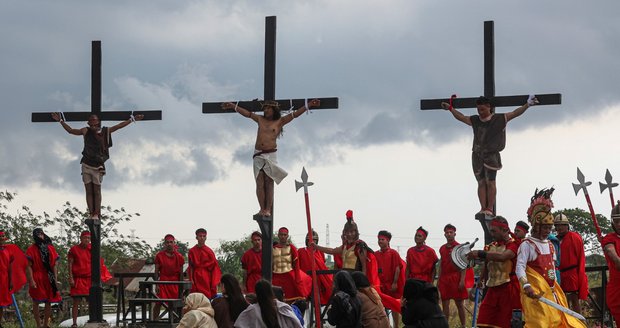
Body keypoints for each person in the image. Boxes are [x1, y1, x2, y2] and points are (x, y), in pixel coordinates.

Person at [441, 95, 539, 215]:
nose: (480, 112)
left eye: (482, 109)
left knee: (490, 181)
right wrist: (451, 109)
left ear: (489, 107)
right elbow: (461, 117)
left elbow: (515, 113)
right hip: (477, 154)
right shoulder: (475, 120)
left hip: (491, 155)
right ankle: (483, 207)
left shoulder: (499, 118)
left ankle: (489, 208)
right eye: (478, 110)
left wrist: (527, 105)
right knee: (481, 182)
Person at [221, 99, 320, 216]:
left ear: (274, 110)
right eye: (265, 109)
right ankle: (262, 208)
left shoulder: (280, 121)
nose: (266, 111)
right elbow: (247, 114)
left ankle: (268, 209)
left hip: (271, 154)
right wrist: (234, 106)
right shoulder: (260, 119)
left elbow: (295, 114)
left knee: (269, 181)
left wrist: (308, 105)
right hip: (258, 153)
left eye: (268, 109)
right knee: (259, 182)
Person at [51, 112, 143, 221]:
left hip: (98, 165)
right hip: (86, 163)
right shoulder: (85, 131)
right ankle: (91, 213)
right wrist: (61, 121)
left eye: (95, 119)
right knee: (88, 190)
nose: (93, 121)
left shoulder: (105, 131)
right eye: (91, 120)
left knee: (97, 190)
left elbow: (118, 126)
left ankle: (96, 213)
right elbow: (71, 131)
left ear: (98, 121)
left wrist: (132, 120)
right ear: (88, 122)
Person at [516, 188, 586, 327]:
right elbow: (520, 267)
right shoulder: (527, 245)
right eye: (545, 228)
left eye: (549, 228)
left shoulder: (550, 245)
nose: (548, 231)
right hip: (534, 294)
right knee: (540, 324)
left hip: (553, 292)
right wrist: (527, 285)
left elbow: (552, 268)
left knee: (558, 322)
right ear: (536, 226)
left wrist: (555, 289)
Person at [311, 210, 401, 314]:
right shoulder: (345, 246)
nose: (349, 234)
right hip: (344, 278)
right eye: (347, 232)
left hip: (355, 279)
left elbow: (364, 266)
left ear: (356, 232)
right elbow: (331, 251)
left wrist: (363, 283)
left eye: (352, 232)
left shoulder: (359, 246)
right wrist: (316, 246)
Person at [466, 216, 521, 328]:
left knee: (506, 323)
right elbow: (487, 265)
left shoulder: (514, 244)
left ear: (505, 230)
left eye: (494, 231)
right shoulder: (490, 247)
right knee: (483, 321)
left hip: (509, 289)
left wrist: (480, 253)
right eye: (491, 230)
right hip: (492, 288)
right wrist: (480, 281)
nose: (491, 233)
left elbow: (503, 257)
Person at [67, 231, 112, 328]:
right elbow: (70, 264)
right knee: (76, 301)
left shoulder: (92, 248)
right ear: (81, 238)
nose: (87, 240)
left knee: (91, 301)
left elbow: (98, 262)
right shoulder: (74, 249)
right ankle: (74, 323)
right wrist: (70, 277)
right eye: (85, 238)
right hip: (78, 278)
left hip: (89, 279)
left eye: (88, 238)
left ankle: (92, 320)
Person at [437, 224, 472, 327]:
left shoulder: (459, 248)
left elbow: (463, 264)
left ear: (454, 234)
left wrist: (462, 280)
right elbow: (441, 264)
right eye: (447, 232)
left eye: (451, 232)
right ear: (444, 234)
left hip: (456, 277)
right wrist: (439, 279)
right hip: (444, 278)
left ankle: (463, 325)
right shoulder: (442, 248)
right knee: (445, 304)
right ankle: (445, 325)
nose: (449, 234)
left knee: (459, 304)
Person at [26, 228, 61, 328]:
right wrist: (31, 280)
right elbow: (28, 266)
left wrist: (55, 279)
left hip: (48, 276)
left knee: (49, 301)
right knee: (36, 301)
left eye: (42, 234)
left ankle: (45, 324)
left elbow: (55, 264)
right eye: (38, 234)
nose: (40, 236)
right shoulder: (31, 249)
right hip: (37, 276)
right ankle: (38, 325)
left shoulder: (50, 248)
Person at [554, 213, 588, 313]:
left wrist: (579, 274)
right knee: (562, 300)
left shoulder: (574, 237)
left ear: (567, 226)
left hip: (572, 273)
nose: (559, 227)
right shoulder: (554, 240)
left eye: (562, 225)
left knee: (574, 299)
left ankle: (580, 323)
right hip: (559, 274)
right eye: (557, 225)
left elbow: (580, 257)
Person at [234, 279, 303, 328]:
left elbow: (239, 324)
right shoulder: (283, 307)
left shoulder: (252, 311)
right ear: (270, 292)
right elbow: (297, 324)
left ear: (257, 293)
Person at [374, 230, 404, 327]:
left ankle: (396, 326)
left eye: (382, 239)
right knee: (381, 306)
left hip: (391, 284)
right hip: (381, 285)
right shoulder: (375, 254)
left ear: (387, 241)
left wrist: (395, 283)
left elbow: (397, 268)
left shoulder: (393, 253)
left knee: (394, 305)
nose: (380, 241)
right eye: (379, 239)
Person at [271, 227, 311, 301]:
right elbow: (270, 264)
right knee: (275, 298)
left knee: (291, 298)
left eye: (284, 235)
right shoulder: (272, 248)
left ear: (287, 236)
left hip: (288, 275)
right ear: (278, 235)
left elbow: (296, 264)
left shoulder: (291, 247)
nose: (283, 236)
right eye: (281, 235)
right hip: (276, 275)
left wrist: (298, 279)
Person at [298, 229, 333, 305]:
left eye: (314, 240)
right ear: (306, 241)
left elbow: (322, 265)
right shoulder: (301, 251)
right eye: (310, 240)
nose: (312, 242)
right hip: (306, 280)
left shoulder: (320, 252)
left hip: (318, 280)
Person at [153, 234, 185, 319]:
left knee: (178, 303)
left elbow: (181, 274)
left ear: (174, 243)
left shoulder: (179, 257)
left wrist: (181, 288)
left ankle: (180, 322)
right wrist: (156, 284)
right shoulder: (159, 256)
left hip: (175, 283)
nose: (169, 244)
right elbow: (156, 272)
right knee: (158, 303)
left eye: (171, 242)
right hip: (163, 282)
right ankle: (154, 322)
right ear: (164, 244)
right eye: (167, 242)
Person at [188, 228, 221, 298]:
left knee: (206, 296)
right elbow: (191, 267)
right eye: (200, 236)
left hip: (206, 277)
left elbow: (214, 268)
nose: (202, 238)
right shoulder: (192, 251)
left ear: (206, 237)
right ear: (196, 237)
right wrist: (191, 279)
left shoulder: (209, 251)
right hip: (196, 276)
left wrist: (214, 282)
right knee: (196, 297)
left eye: (204, 236)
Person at [603, 201, 620, 326]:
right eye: (616, 221)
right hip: (617, 288)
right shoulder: (609, 238)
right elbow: (610, 251)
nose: (619, 224)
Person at [0, 230, 14, 327]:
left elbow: (9, 267)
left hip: (4, 279)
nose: (2, 238)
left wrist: (11, 280)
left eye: (4, 236)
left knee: (1, 302)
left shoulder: (8, 250)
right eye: (1, 236)